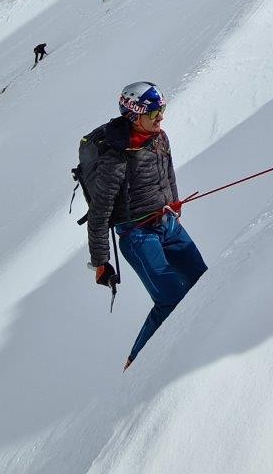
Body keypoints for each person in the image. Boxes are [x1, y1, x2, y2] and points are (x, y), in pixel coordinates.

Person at [85, 81, 206, 370]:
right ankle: (136, 366)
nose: (161, 118)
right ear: (134, 115)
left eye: (162, 111)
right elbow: (99, 213)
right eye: (154, 114)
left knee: (204, 283)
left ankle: (203, 341)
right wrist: (101, 262)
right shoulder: (116, 158)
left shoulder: (159, 138)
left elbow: (168, 173)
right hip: (138, 236)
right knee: (170, 300)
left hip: (166, 223)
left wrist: (174, 204)